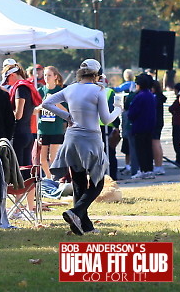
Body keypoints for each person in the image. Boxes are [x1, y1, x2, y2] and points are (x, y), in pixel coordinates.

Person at [42, 58, 119, 235]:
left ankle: (84, 227)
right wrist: (117, 110)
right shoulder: (98, 90)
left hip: (71, 139)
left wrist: (67, 116)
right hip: (90, 139)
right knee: (97, 183)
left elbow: (46, 103)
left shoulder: (70, 88)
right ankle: (75, 212)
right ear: (96, 74)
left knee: (78, 182)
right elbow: (106, 119)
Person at [2, 59, 41, 167]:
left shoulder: (20, 88)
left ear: (13, 75)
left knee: (18, 169)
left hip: (18, 134)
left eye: (7, 79)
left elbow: (18, 115)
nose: (8, 83)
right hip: (27, 133)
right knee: (26, 170)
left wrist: (6, 115)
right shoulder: (28, 86)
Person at [36, 66, 67, 179]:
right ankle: (49, 178)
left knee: (52, 157)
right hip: (43, 128)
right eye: (45, 75)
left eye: (49, 75)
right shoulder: (40, 91)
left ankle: (55, 179)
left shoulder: (60, 92)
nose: (46, 78)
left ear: (55, 77)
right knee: (42, 159)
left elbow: (66, 111)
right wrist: (42, 105)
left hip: (56, 128)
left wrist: (55, 103)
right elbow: (34, 111)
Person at [126, 73, 157, 180]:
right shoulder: (150, 95)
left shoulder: (139, 97)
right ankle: (149, 170)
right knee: (148, 149)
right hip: (149, 127)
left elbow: (132, 113)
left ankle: (143, 170)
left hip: (139, 126)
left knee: (141, 150)